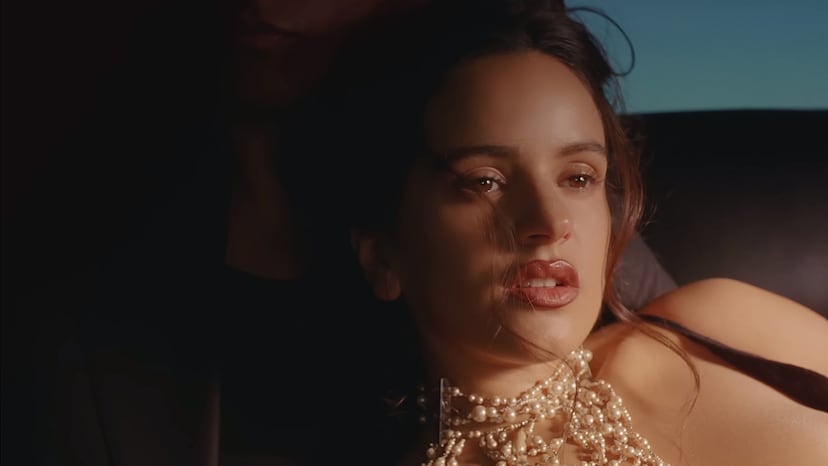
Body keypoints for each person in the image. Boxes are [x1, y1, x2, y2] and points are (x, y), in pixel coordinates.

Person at [285, 1, 828, 464]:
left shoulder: (717, 321)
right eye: (485, 181)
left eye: (578, 177)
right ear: (383, 256)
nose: (548, 224)